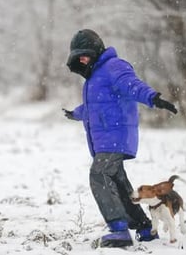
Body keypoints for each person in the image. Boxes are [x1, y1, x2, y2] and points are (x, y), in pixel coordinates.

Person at [63, 29, 178, 248]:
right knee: (119, 184)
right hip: (105, 140)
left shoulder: (114, 66)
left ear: (96, 51)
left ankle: (118, 230)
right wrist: (75, 114)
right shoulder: (93, 77)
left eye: (85, 55)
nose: (82, 60)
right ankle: (145, 227)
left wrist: (152, 98)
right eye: (79, 57)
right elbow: (93, 107)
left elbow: (132, 86)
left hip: (116, 137)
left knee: (99, 175)